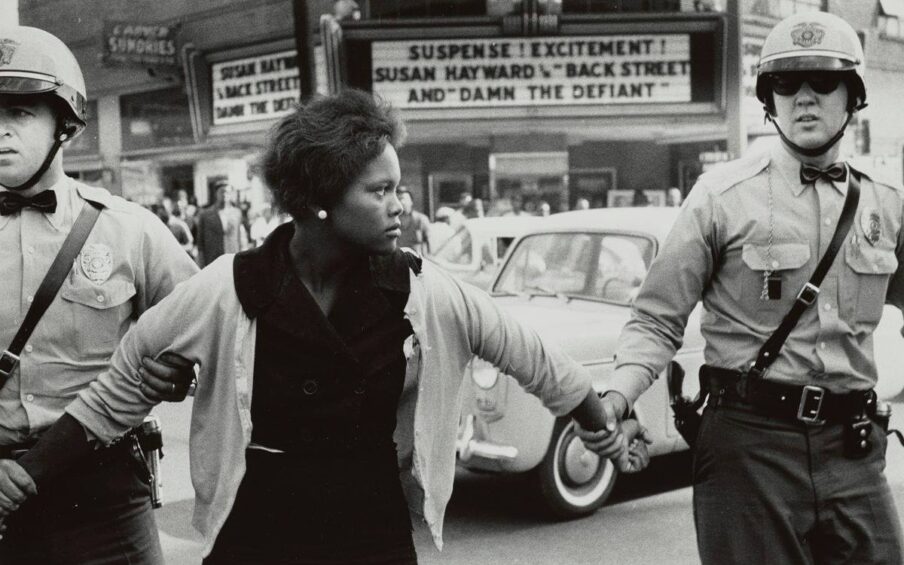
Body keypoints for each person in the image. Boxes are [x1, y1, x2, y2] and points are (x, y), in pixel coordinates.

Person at [0, 89, 651, 564]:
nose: (403, 205)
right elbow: (120, 389)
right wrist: (26, 475)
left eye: (400, 187)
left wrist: (601, 425)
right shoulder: (229, 286)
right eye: (382, 191)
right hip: (256, 525)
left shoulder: (420, 286)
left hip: (370, 524)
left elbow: (531, 356)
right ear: (319, 199)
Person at [578, 12, 903, 564]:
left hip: (854, 447)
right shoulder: (719, 197)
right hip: (751, 448)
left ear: (854, 96)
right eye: (785, 83)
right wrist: (616, 397)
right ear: (767, 99)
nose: (804, 98)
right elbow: (657, 319)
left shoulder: (887, 203)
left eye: (823, 82)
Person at [0, 25, 199, 564]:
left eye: (19, 114)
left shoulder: (129, 230)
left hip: (103, 491)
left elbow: (207, 328)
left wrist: (180, 373)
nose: (1, 133)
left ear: (63, 124)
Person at [196, 180, 245, 266]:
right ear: (216, 194)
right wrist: (201, 264)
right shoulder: (205, 214)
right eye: (222, 191)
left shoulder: (237, 213)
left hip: (232, 259)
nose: (225, 194)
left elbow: (240, 238)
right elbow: (200, 243)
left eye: (228, 192)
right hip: (213, 260)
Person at [397, 186, 431, 254]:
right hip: (397, 260)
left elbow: (429, 243)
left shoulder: (421, 219)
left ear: (411, 201)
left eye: (404, 199)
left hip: (416, 260)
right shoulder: (391, 222)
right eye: (399, 199)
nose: (402, 202)